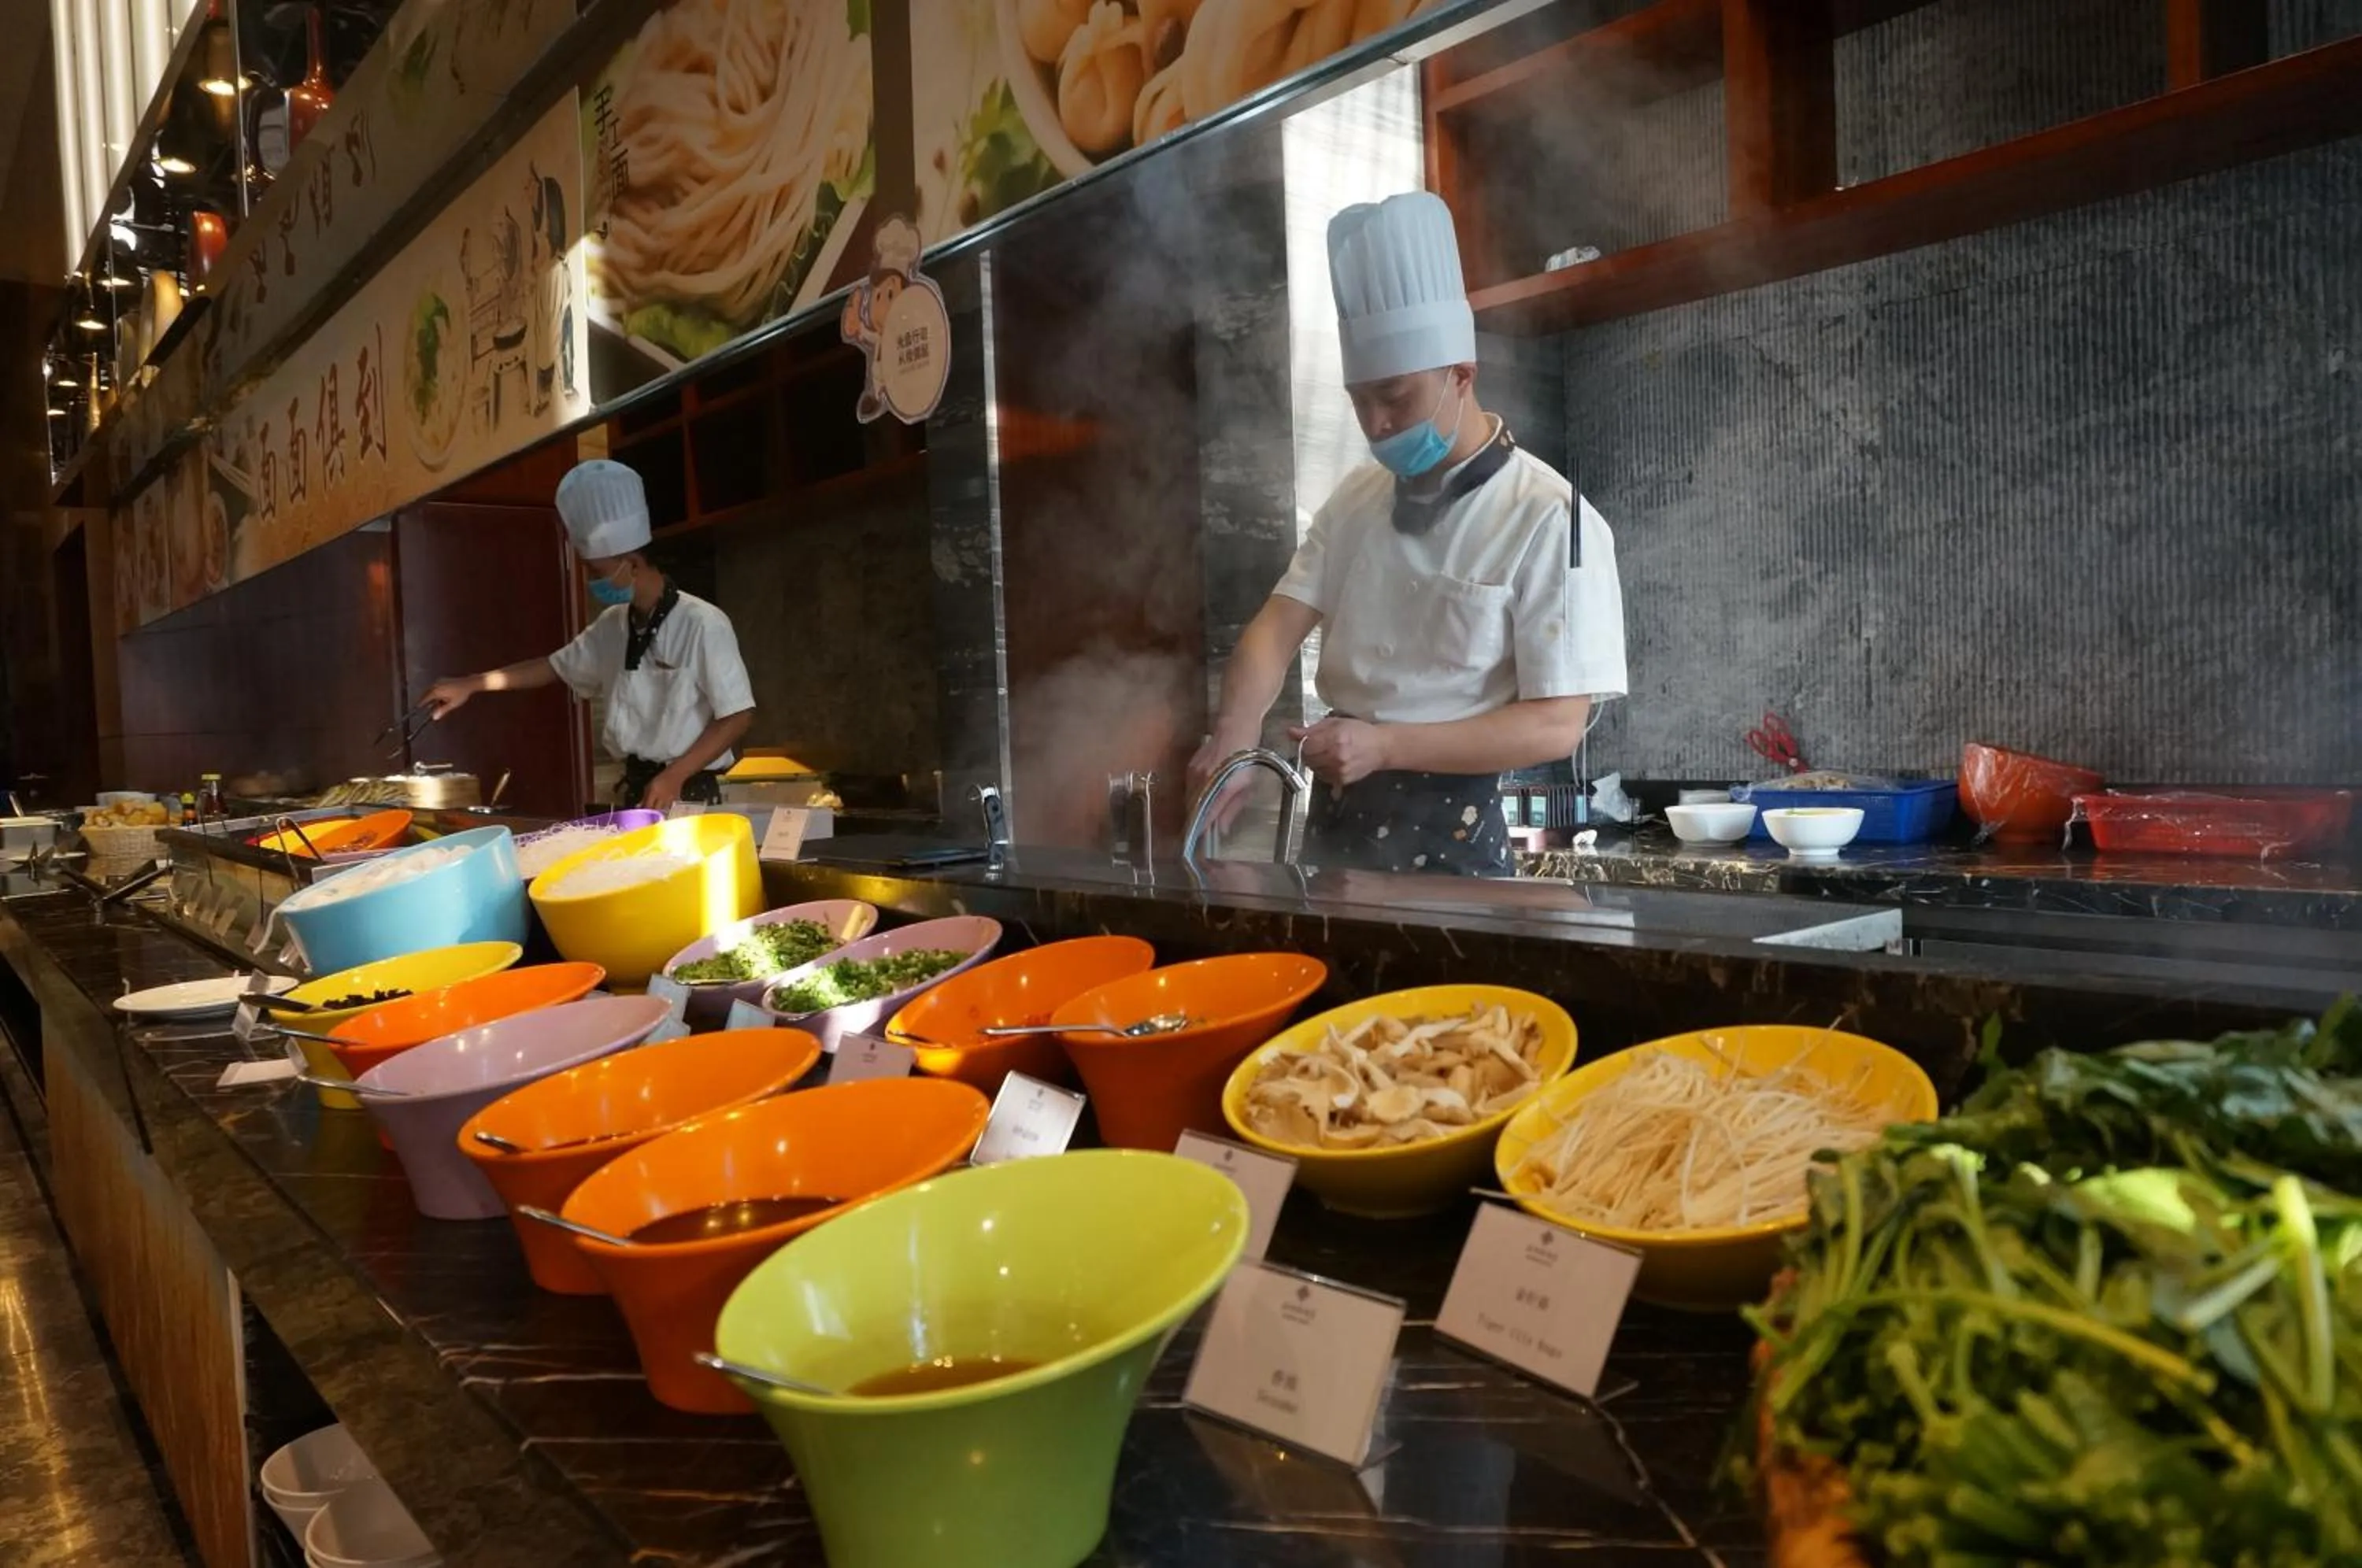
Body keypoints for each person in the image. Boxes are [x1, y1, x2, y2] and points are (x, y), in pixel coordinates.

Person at [1187, 192, 1627, 876]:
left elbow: (1554, 725)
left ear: (1462, 375)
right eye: (1359, 401)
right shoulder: (1356, 499)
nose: (1376, 424)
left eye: (1393, 396)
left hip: (1460, 836)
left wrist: (1384, 746)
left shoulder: (1553, 518)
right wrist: (1233, 739)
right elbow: (1272, 632)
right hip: (1336, 824)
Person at [423, 459, 755, 811]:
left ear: (633, 564)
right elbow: (552, 667)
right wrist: (472, 684)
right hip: (639, 788)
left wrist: (675, 775)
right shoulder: (613, 625)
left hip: (691, 791)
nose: (590, 581)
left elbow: (738, 715)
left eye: (596, 571)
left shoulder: (702, 623)